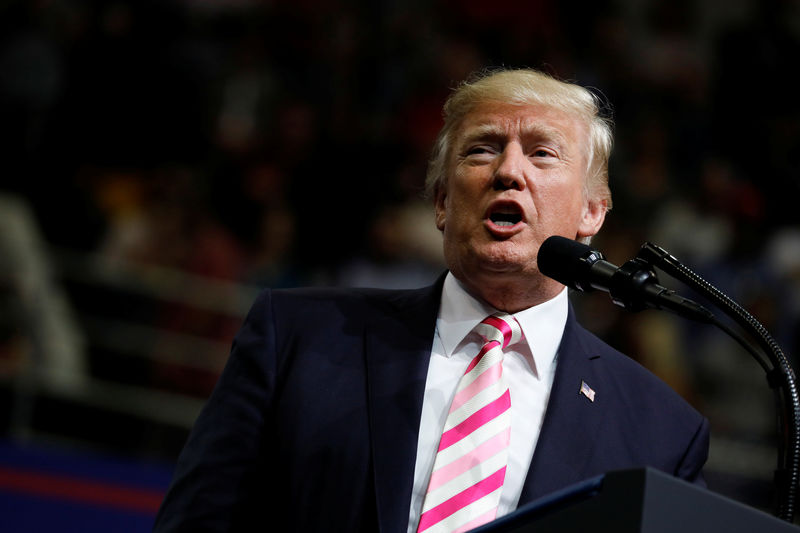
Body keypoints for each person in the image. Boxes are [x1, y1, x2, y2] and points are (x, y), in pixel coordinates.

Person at [152, 68, 708, 533]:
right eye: (482, 149)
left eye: (541, 154)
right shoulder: (295, 338)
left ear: (592, 211)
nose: (509, 171)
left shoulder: (661, 434)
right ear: (442, 202)